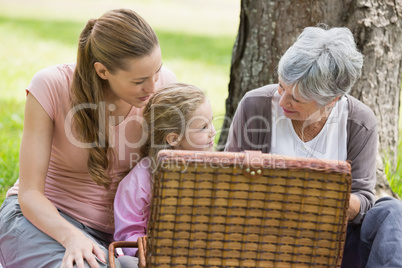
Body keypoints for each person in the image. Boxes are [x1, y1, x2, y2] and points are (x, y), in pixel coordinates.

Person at [0, 9, 176, 268]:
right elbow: (30, 194)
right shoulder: (50, 86)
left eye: (157, 72)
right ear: (102, 71)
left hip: (120, 237)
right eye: (139, 81)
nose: (152, 87)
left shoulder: (163, 88)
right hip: (46, 223)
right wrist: (71, 237)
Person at [225, 25, 402, 267]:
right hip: (265, 239)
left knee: (392, 210)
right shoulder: (255, 106)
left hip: (332, 242)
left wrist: (324, 197)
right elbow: (229, 181)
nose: (283, 100)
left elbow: (364, 201)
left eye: (296, 98)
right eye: (281, 86)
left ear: (331, 101)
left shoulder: (359, 122)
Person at [113, 83, 216, 264]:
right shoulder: (141, 180)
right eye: (203, 127)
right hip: (156, 258)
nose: (213, 132)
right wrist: (151, 254)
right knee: (125, 264)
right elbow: (128, 232)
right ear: (174, 138)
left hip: (202, 256)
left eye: (211, 122)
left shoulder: (213, 170)